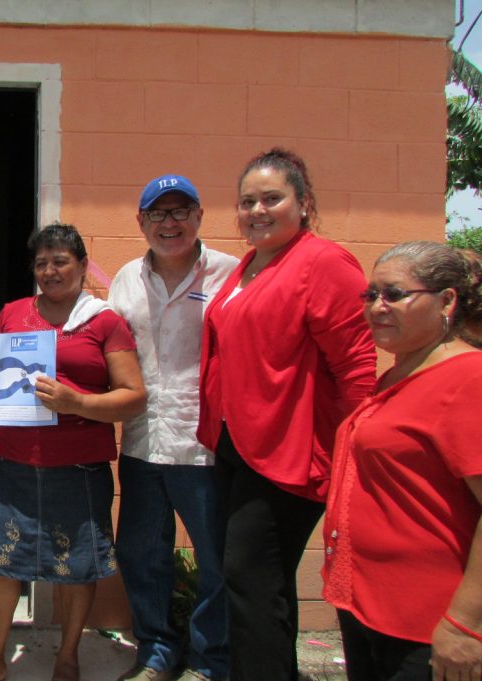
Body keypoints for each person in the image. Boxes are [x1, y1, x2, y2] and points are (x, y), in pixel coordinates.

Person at [196, 148, 377, 681]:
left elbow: (356, 365)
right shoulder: (252, 264)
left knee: (249, 578)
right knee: (257, 584)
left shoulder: (322, 262)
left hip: (288, 450)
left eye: (271, 198)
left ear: (304, 203)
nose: (257, 210)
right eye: (247, 201)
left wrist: (355, 450)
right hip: (239, 444)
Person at [0, 223, 147, 681]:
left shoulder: (103, 321)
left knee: (77, 568)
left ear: (83, 266)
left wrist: (78, 402)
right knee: (1, 567)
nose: (49, 271)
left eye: (60, 261)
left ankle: (68, 655)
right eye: (41, 262)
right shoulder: (11, 314)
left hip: (79, 469)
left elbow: (134, 396)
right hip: (16, 464)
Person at [322, 241, 482, 681]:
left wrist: (466, 624)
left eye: (394, 294)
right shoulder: (400, 373)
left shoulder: (469, 380)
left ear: (446, 300)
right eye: (370, 295)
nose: (377, 307)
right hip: (371, 609)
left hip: (428, 623)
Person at [108, 174, 237, 681]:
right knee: (141, 555)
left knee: (216, 559)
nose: (170, 223)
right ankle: (157, 652)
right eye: (158, 214)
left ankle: (210, 661)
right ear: (141, 223)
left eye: (181, 211)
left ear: (200, 216)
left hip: (204, 446)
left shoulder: (231, 274)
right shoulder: (124, 280)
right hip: (142, 442)